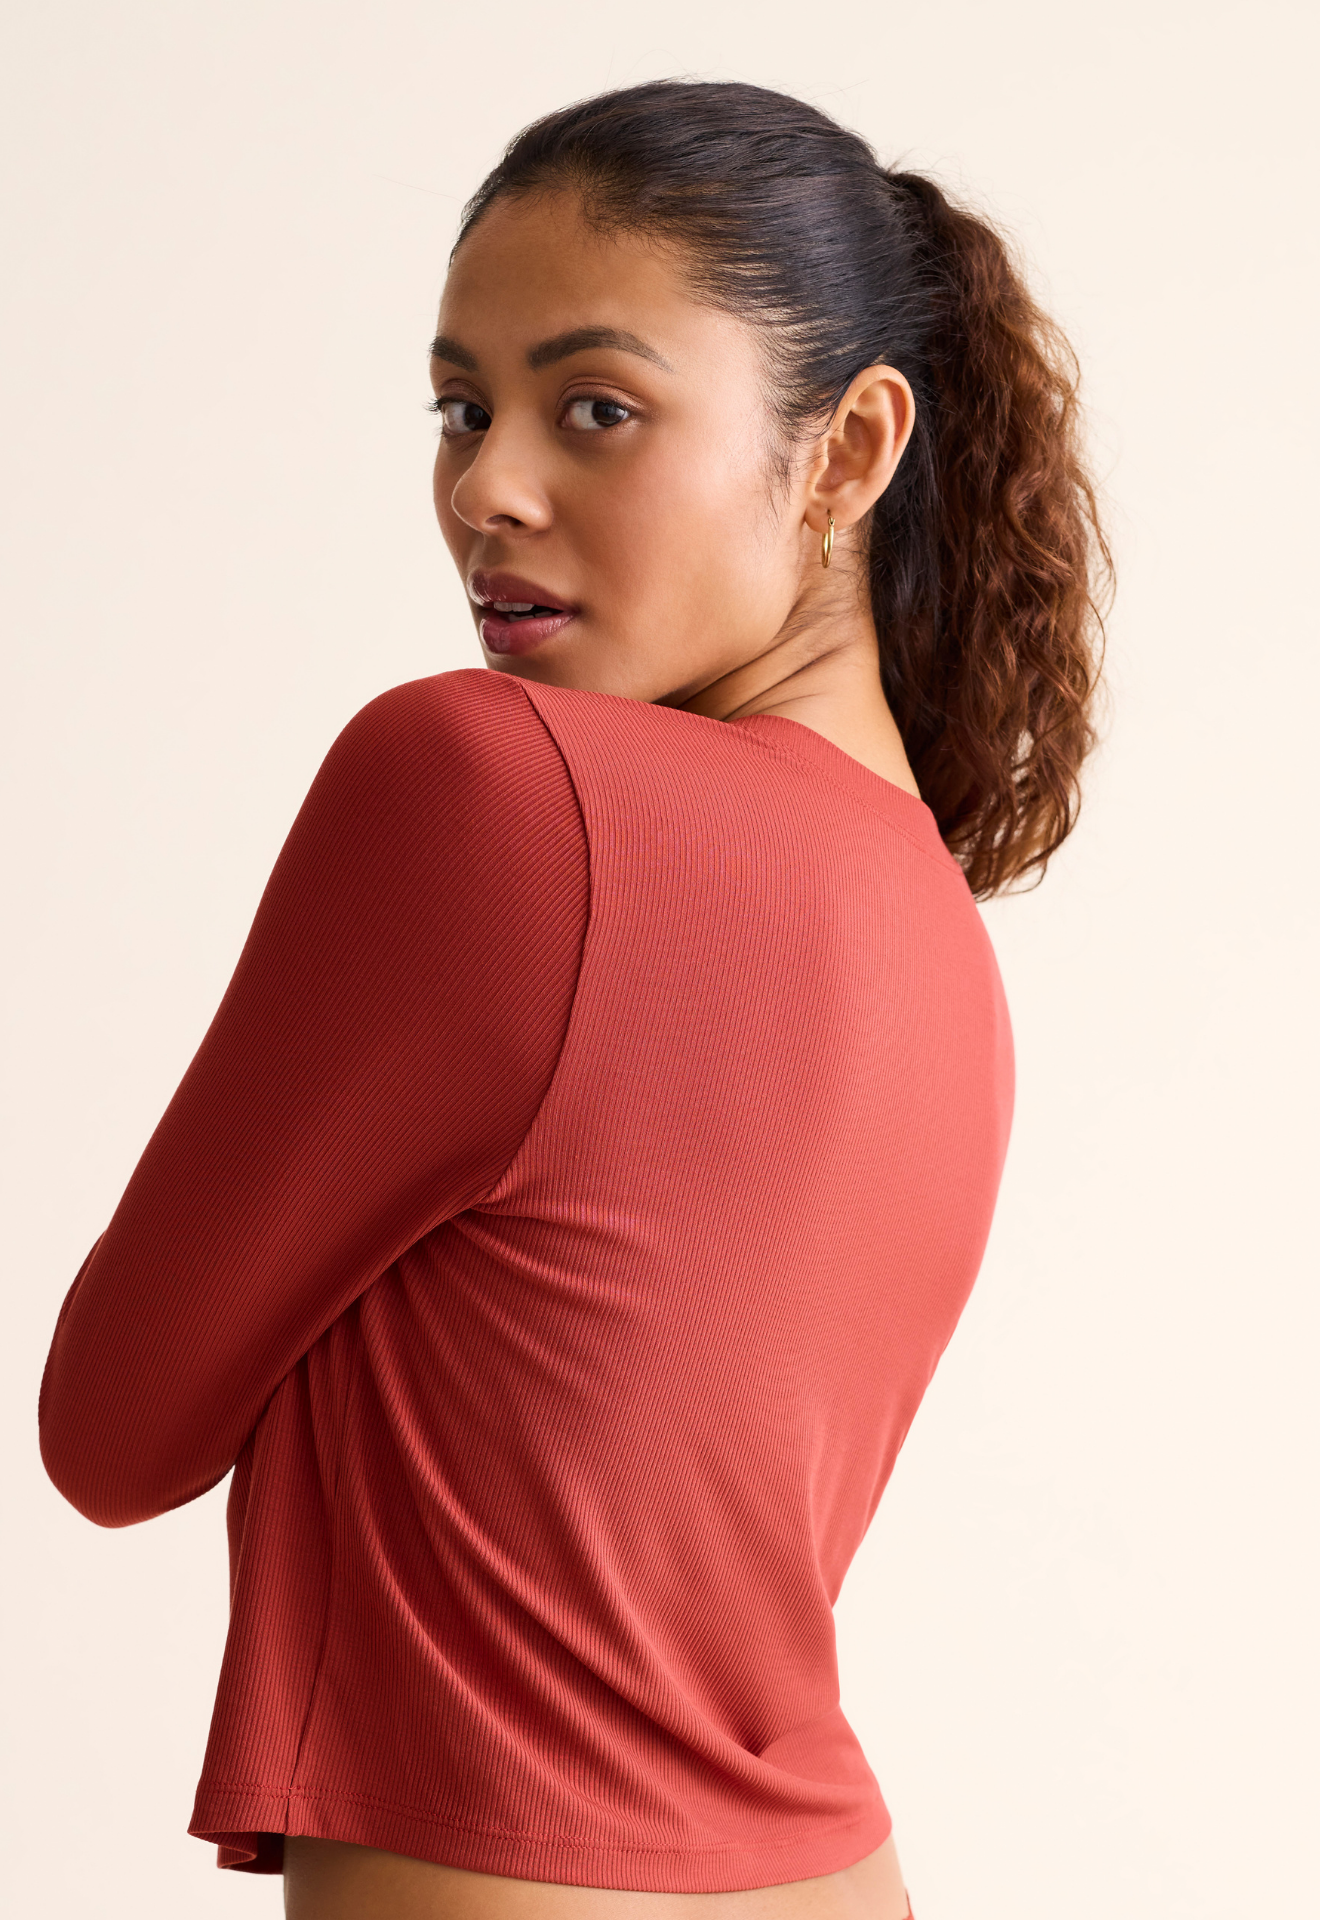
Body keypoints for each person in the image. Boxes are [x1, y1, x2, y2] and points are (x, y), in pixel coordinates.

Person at [38, 79, 1109, 1920]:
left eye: (595, 410)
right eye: (462, 407)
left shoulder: (489, 791)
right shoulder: (938, 931)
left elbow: (113, 1429)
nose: (486, 487)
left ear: (849, 451)